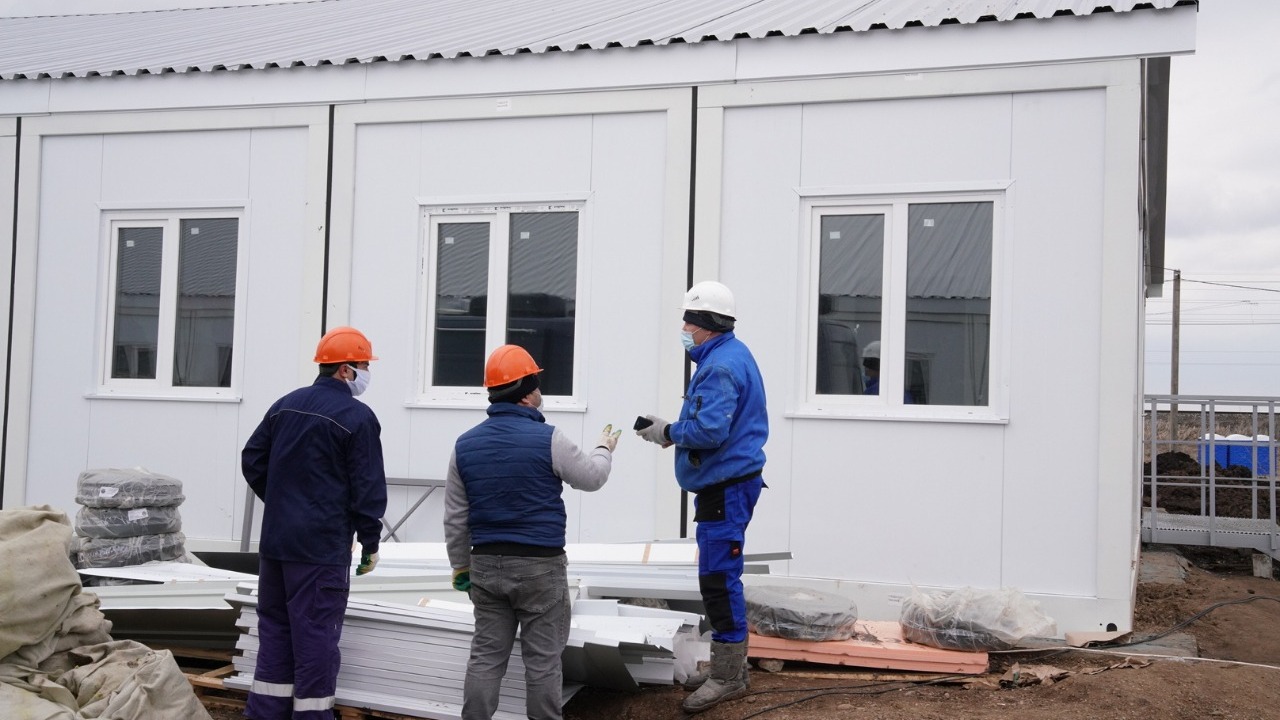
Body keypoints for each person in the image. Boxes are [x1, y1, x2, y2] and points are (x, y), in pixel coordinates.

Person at [444, 344, 620, 720]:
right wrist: (604, 448)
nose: (541, 390)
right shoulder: (549, 439)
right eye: (536, 383)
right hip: (540, 567)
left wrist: (460, 567)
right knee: (542, 662)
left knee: (486, 658)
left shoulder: (464, 445)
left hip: (485, 566)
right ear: (526, 393)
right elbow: (592, 478)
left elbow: (455, 517)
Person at [240, 326, 388, 720]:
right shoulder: (357, 416)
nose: (366, 373)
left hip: (276, 544)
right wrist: (370, 541)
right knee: (316, 637)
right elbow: (367, 487)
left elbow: (253, 459)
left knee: (275, 631)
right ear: (345, 370)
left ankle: (265, 714)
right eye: (364, 366)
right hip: (320, 549)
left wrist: (283, 503)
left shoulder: (285, 405)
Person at [636, 280, 767, 714]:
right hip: (728, 483)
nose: (684, 329)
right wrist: (671, 430)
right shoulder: (729, 354)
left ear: (706, 324)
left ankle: (728, 677)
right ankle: (730, 668)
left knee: (718, 577)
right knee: (719, 574)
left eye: (688, 322)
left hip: (725, 487)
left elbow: (710, 431)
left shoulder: (719, 367)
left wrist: (667, 431)